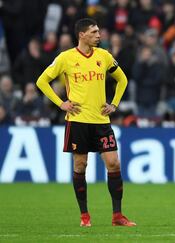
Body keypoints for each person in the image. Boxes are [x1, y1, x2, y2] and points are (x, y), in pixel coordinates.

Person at [36, 18, 136, 227]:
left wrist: (114, 104)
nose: (99, 35)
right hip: (78, 121)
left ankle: (117, 216)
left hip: (101, 121)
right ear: (82, 35)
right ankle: (85, 216)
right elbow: (42, 81)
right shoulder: (66, 58)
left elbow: (123, 79)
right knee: (80, 165)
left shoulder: (104, 56)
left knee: (113, 163)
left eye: (98, 31)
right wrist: (61, 103)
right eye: (94, 32)